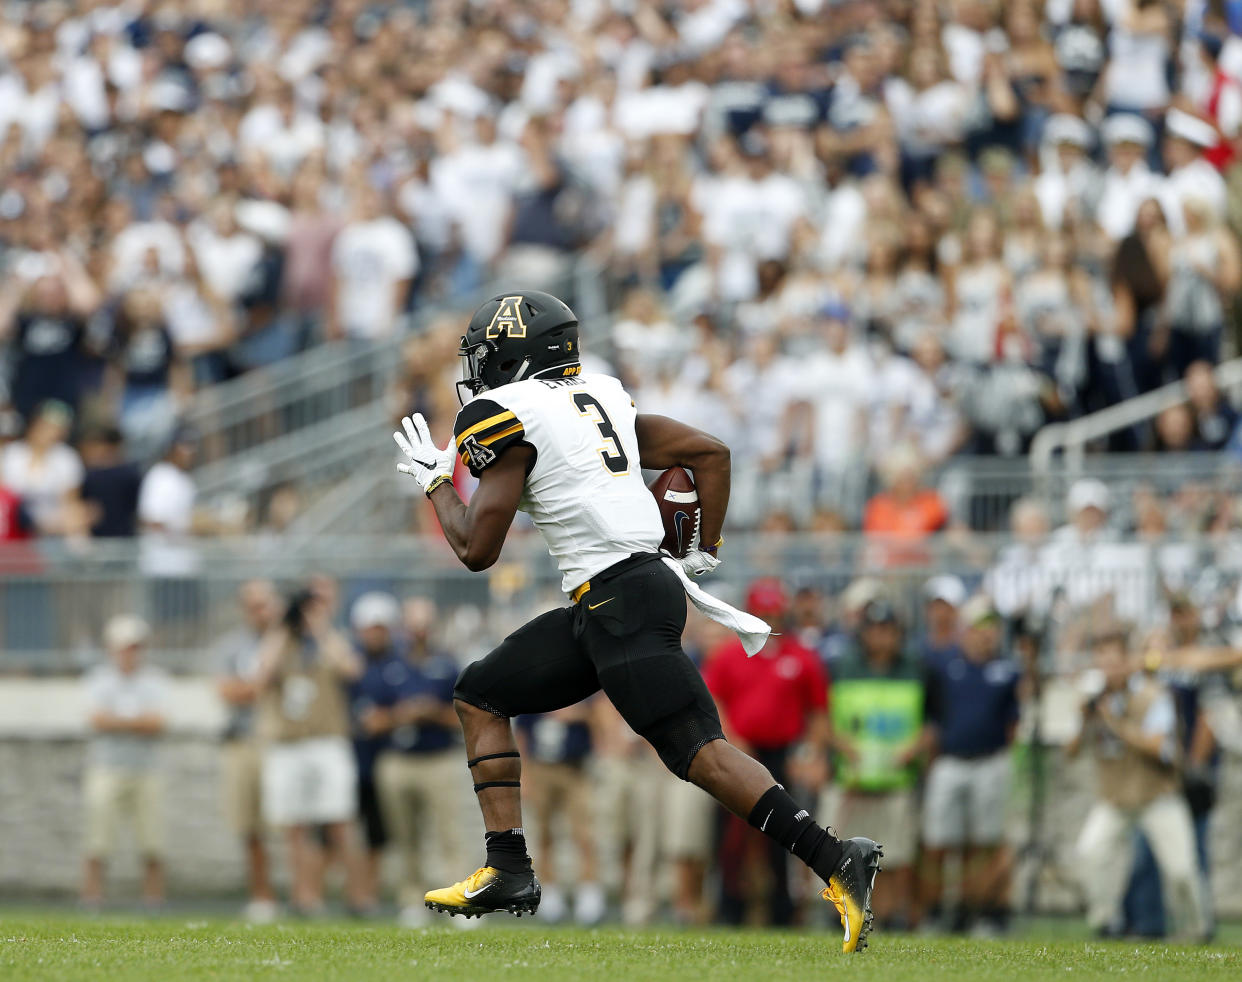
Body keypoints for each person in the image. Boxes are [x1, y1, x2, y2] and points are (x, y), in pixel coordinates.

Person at [393, 290, 881, 952]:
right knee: (481, 692)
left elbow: (477, 550)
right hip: (619, 596)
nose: (480, 369)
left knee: (699, 752)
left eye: (490, 353)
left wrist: (436, 483)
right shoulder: (604, 395)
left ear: (517, 352)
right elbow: (711, 453)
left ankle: (835, 859)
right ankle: (508, 867)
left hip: (617, 600)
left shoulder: (509, 412)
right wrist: (702, 552)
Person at [702, 578, 830, 927]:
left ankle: (782, 911)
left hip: (782, 754)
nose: (768, 617)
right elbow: (713, 701)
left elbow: (817, 712)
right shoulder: (729, 655)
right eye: (762, 610)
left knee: (783, 836)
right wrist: (730, 740)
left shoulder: (802, 656)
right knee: (731, 837)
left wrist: (811, 754)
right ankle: (730, 908)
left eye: (773, 610)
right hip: (739, 753)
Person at [1066, 626, 1207, 941]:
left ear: (1128, 661)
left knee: (1182, 871)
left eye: (1114, 661)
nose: (1108, 669)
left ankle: (1197, 930)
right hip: (1115, 799)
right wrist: (1085, 721)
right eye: (1101, 661)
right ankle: (1106, 922)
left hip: (1157, 795)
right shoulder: (1092, 701)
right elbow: (1070, 752)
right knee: (1090, 854)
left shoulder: (1153, 696)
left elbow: (1159, 747)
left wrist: (1116, 723)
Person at [254, 585, 366, 915]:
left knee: (340, 820)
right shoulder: (281, 642)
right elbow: (260, 676)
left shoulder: (330, 640)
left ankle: (356, 897)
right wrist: (281, 628)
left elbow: (350, 669)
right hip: (287, 744)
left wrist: (320, 628)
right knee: (293, 824)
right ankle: (305, 897)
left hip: (327, 740)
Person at [822, 599, 933, 930]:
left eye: (888, 630)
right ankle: (842, 915)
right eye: (875, 629)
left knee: (895, 856)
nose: (881, 637)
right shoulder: (840, 666)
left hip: (896, 779)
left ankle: (889, 915)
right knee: (839, 854)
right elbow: (821, 718)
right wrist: (840, 748)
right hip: (850, 778)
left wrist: (914, 750)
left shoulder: (917, 668)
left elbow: (932, 723)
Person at [921, 597, 1020, 935]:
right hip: (950, 762)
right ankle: (940, 911)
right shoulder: (945, 666)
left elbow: (1014, 723)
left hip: (990, 761)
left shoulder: (1007, 670)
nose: (985, 634)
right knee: (940, 841)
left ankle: (984, 911)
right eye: (979, 626)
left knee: (986, 842)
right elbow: (933, 717)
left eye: (990, 627)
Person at [80, 615, 170, 908]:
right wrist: (136, 723)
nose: (131, 653)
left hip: (146, 769)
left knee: (152, 840)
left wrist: (118, 722)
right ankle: (92, 898)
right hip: (106, 767)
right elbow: (96, 720)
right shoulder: (99, 679)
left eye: (135, 647)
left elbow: (157, 723)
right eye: (125, 647)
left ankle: (153, 900)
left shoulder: (155, 679)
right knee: (98, 838)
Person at [214, 580, 282, 922]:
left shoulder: (289, 640)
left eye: (265, 604)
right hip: (244, 741)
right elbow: (227, 691)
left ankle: (305, 894)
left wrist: (257, 688)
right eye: (254, 605)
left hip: (282, 742)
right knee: (250, 825)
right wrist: (262, 685)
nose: (261, 612)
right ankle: (262, 895)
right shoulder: (231, 647)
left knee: (292, 825)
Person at [515, 704, 604, 925]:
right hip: (541, 768)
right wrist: (524, 774)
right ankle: (550, 892)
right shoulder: (531, 690)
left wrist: (579, 714)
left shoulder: (579, 687)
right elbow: (522, 733)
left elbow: (598, 718)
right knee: (544, 834)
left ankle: (588, 892)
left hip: (575, 768)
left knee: (584, 834)